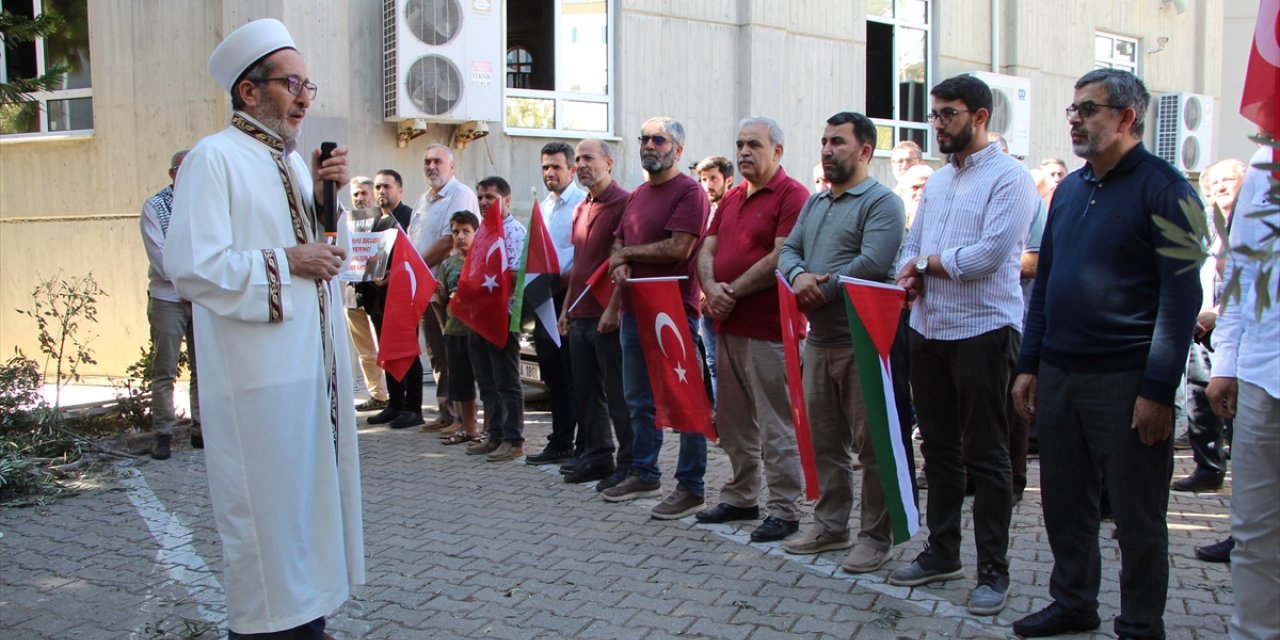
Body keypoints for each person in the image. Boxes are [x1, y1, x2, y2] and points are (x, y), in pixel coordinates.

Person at [164, 18, 363, 637]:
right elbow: (192, 265)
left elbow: (327, 256)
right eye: (291, 83)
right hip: (256, 379)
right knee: (268, 520)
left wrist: (335, 205)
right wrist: (287, 262)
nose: (305, 97)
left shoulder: (296, 166)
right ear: (249, 92)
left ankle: (309, 622)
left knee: (308, 511)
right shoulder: (213, 159)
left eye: (309, 84)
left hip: (311, 371)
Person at [1010, 68, 1203, 639]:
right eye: (1073, 109)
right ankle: (1073, 604)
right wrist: (1030, 364)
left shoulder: (1171, 191)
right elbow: (1046, 284)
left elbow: (1183, 295)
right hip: (1062, 375)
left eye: (1088, 109)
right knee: (1065, 504)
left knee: (1137, 515)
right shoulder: (1069, 189)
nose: (1075, 119)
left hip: (1127, 382)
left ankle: (1141, 623)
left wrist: (1158, 389)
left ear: (1126, 117)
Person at [890, 74, 1037, 616]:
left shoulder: (1011, 179)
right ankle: (941, 552)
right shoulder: (942, 181)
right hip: (928, 329)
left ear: (979, 116)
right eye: (934, 114)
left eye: (948, 114)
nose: (938, 124)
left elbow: (987, 257)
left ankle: (993, 571)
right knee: (939, 450)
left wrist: (927, 265)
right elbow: (914, 240)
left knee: (987, 455)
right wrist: (910, 269)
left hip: (984, 332)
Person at [777, 112, 907, 570]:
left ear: (865, 151)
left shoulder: (883, 203)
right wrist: (798, 277)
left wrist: (818, 288)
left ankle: (875, 536)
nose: (827, 150)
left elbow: (873, 263)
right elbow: (789, 250)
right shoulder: (815, 204)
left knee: (871, 447)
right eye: (824, 142)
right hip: (820, 343)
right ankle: (831, 527)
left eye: (838, 142)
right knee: (824, 442)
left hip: (864, 343)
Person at [695, 117, 809, 543]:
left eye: (754, 145)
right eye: (740, 144)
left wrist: (731, 292)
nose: (744, 152)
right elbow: (707, 248)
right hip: (727, 326)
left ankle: (785, 509)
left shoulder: (793, 195)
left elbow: (783, 255)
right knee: (734, 421)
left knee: (775, 423)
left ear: (777, 151)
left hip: (769, 331)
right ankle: (742, 496)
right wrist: (710, 288)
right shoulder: (731, 197)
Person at [602, 116, 710, 521]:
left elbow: (679, 248)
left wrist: (625, 256)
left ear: (677, 150)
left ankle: (692, 486)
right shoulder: (638, 194)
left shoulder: (690, 192)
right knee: (638, 400)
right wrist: (618, 263)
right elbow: (618, 240)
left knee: (684, 401)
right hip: (635, 310)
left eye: (659, 140)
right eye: (644, 139)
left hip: (674, 312)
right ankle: (645, 472)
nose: (649, 145)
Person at [1205, 144, 1279, 640]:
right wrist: (1226, 362)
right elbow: (1242, 270)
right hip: (1264, 371)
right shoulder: (1265, 162)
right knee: (1255, 530)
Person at [557, 138, 632, 487]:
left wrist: (614, 307)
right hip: (579, 312)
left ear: (609, 162)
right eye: (577, 159)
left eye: (588, 158)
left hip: (606, 314)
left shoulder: (624, 203)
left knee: (617, 394)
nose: (581, 164)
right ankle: (598, 456)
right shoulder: (580, 208)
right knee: (586, 392)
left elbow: (624, 262)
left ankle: (629, 462)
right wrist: (565, 308)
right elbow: (579, 265)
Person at [1172, 158, 1245, 494]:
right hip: (1200, 330)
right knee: (1199, 398)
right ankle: (1208, 466)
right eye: (1214, 183)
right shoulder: (1212, 227)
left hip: (1235, 331)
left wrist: (1217, 311)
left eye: (1229, 180)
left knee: (1238, 408)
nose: (1220, 187)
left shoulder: (1253, 226)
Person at [408, 143, 480, 431]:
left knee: (455, 353)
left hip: (449, 287)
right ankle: (445, 413)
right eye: (427, 161)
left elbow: (450, 240)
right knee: (436, 352)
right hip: (426, 286)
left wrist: (417, 266)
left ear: (452, 166)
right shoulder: (424, 199)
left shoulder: (461, 193)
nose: (431, 166)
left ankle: (463, 418)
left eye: (438, 160)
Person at [525, 141, 586, 466]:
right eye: (545, 166)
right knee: (551, 374)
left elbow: (582, 257)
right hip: (542, 298)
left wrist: (556, 285)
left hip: (569, 297)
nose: (550, 172)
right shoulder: (545, 205)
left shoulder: (580, 203)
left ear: (572, 170)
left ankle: (582, 444)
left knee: (573, 375)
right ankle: (561, 441)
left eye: (556, 167)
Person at [140, 149, 201, 461]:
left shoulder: (205, 204)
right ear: (173, 173)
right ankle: (163, 433)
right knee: (165, 367)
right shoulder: (155, 206)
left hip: (201, 296)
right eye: (184, 168)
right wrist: (193, 283)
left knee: (203, 366)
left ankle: (200, 430)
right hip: (169, 297)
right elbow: (161, 258)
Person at [463, 176, 529, 462]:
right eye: (480, 197)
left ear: (506, 199)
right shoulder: (482, 232)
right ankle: (494, 434)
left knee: (506, 381)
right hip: (478, 316)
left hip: (502, 316)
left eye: (490, 196)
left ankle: (513, 440)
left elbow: (514, 275)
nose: (483, 202)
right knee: (486, 380)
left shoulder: (515, 232)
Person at [362, 169, 423, 429]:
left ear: (400, 189)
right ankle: (395, 404)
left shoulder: (411, 219)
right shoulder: (374, 221)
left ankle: (414, 408)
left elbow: (415, 260)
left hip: (403, 297)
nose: (381, 192)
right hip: (378, 299)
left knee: (407, 351)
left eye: (387, 186)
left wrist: (393, 275)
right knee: (388, 352)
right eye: (377, 187)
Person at [436, 210, 482, 446]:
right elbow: (444, 300)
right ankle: (469, 428)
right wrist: (440, 291)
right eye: (456, 232)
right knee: (461, 382)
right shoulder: (448, 264)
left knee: (485, 381)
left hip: (477, 329)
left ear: (477, 233)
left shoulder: (483, 260)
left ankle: (493, 428)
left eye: (466, 231)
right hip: (454, 329)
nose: (460, 236)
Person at [344, 176, 389, 412]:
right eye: (356, 194)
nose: (360, 198)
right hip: (352, 293)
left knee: (383, 346)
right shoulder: (344, 223)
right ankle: (378, 394)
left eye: (364, 193)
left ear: (372, 195)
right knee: (364, 350)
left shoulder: (382, 221)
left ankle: (393, 394)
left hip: (376, 293)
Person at [695, 155, 735, 404]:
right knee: (712, 361)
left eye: (712, 179)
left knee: (733, 363)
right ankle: (722, 417)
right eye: (703, 179)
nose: (707, 184)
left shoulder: (734, 211)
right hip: (703, 301)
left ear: (728, 180)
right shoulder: (701, 211)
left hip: (728, 298)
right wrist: (701, 291)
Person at [896, 163, 933, 229]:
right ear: (903, 192)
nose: (921, 193)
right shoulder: (892, 225)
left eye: (927, 188)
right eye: (915, 188)